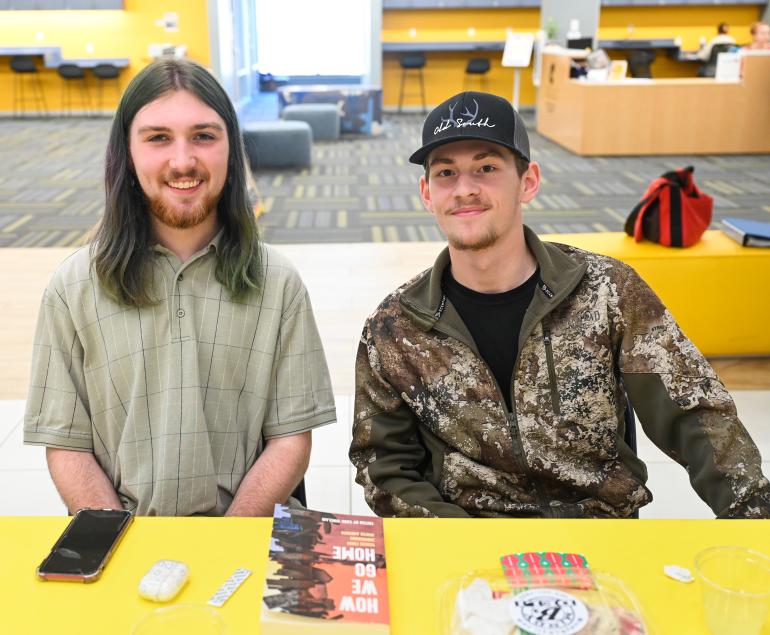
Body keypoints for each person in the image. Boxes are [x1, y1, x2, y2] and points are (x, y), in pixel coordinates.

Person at [350, 91, 770, 519]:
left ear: (528, 181)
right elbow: (384, 469)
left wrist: (755, 519)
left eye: (487, 168)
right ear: (427, 193)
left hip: (598, 534)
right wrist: (464, 545)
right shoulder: (394, 327)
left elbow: (696, 415)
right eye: (445, 173)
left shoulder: (607, 290)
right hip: (468, 541)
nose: (465, 189)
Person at [23, 59, 336, 516]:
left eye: (204, 136)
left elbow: (290, 439)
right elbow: (67, 444)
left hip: (243, 541)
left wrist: (229, 544)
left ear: (232, 150)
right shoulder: (72, 287)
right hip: (125, 543)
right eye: (158, 138)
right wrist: (121, 546)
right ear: (126, 153)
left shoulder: (279, 283)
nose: (183, 161)